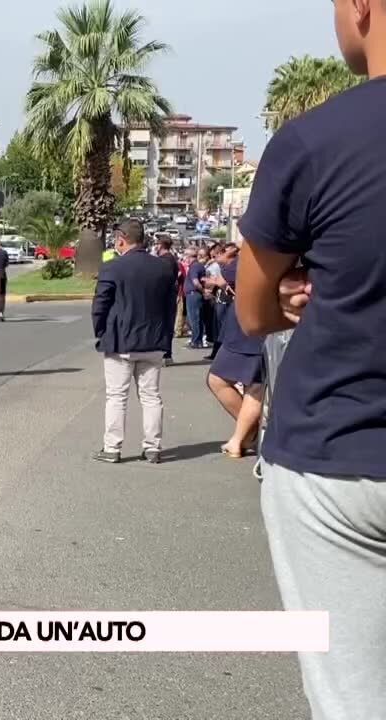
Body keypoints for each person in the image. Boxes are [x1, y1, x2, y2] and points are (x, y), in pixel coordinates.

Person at [234, 3, 386, 715]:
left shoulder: (316, 140)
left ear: (361, 6)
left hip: (339, 456)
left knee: (354, 698)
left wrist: (293, 294)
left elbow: (254, 310)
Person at [89, 220, 177, 464]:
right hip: (154, 341)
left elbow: (100, 304)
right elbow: (170, 307)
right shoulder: (163, 267)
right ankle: (153, 447)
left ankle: (112, 448)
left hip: (120, 341)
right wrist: (166, 338)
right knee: (151, 396)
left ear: (121, 240)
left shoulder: (113, 267)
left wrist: (101, 331)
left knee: (117, 396)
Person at [203, 244, 263, 458]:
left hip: (253, 329)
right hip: (246, 328)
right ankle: (245, 434)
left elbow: (227, 275)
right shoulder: (248, 259)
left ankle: (243, 436)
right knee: (245, 385)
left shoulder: (254, 256)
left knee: (253, 386)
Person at [154, 238, 181, 365]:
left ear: (160, 245)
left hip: (165, 296)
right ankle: (163, 353)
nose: (155, 247)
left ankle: (165, 354)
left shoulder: (166, 260)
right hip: (167, 295)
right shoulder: (168, 259)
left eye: (156, 244)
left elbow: (165, 278)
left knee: (164, 325)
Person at [183, 248, 209, 349]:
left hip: (193, 295)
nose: (184, 258)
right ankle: (197, 340)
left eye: (185, 255)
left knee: (194, 319)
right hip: (194, 294)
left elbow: (196, 282)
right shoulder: (197, 266)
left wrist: (202, 291)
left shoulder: (194, 266)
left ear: (189, 256)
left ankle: (196, 341)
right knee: (196, 319)